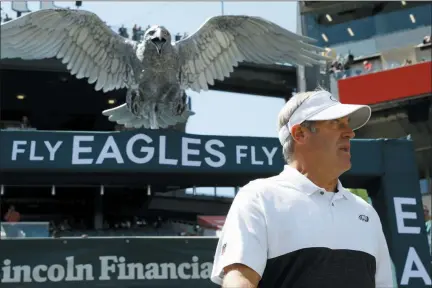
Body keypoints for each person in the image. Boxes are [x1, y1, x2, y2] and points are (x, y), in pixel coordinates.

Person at [211, 89, 393, 288]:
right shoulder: (258, 197)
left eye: (347, 124)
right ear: (300, 134)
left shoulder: (365, 212)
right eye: (335, 123)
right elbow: (239, 282)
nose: (350, 132)